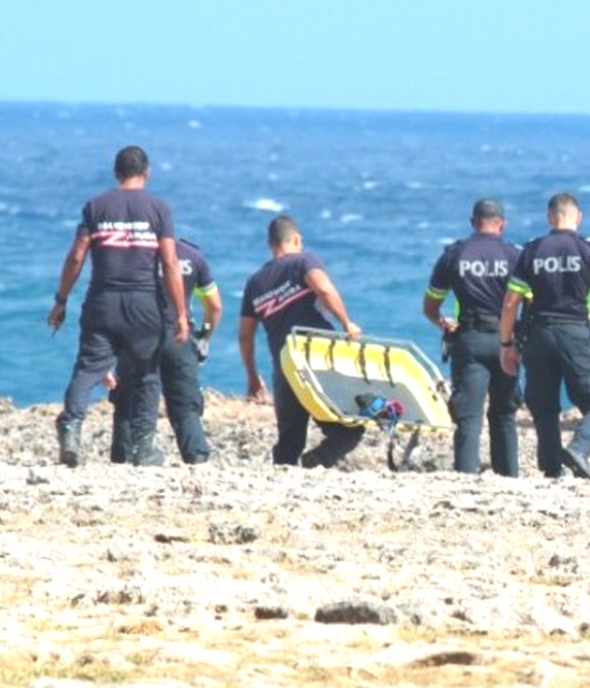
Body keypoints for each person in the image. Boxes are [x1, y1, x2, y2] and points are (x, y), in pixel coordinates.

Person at [48, 146, 189, 467]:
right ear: (147, 173)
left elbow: (77, 256)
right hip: (144, 304)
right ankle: (143, 446)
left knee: (87, 369)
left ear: (116, 173)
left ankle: (71, 429)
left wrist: (61, 300)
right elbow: (169, 262)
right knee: (146, 375)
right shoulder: (159, 208)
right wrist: (180, 313)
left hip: (102, 301)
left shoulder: (96, 206)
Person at [497, 192, 590, 481]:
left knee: (544, 406)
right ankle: (579, 448)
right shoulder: (589, 251)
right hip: (577, 333)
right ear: (579, 218)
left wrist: (506, 344)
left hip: (538, 334)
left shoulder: (532, 250)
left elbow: (511, 303)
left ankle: (552, 470)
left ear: (550, 217)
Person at [239, 215, 365, 467]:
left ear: (270, 243)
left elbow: (245, 336)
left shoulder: (255, 282)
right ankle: (315, 461)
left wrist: (253, 377)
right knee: (348, 429)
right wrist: (346, 322)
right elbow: (324, 289)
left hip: (284, 366)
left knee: (289, 439)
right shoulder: (303, 261)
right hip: (314, 358)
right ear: (296, 239)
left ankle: (281, 484)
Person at [423, 198, 522, 476]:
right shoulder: (515, 256)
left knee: (468, 417)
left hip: (469, 339)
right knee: (504, 414)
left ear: (472, 223)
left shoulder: (454, 255)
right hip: (507, 340)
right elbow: (531, 300)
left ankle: (465, 477)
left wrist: (442, 322)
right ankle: (509, 478)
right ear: (502, 224)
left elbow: (430, 305)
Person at [110, 238, 222, 464]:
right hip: (178, 335)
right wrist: (203, 340)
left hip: (137, 334)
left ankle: (123, 458)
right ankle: (196, 457)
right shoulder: (193, 256)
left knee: (128, 398)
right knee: (185, 403)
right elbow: (214, 306)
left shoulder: (132, 255)